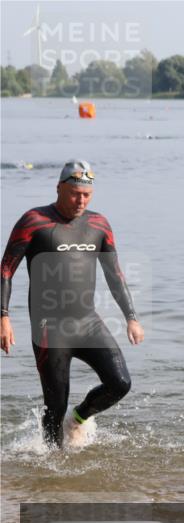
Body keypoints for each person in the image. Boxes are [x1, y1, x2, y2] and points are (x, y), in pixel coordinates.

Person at [0, 160, 144, 448]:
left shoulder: (98, 224)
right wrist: (3, 316)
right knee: (55, 404)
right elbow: (5, 270)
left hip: (87, 322)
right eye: (74, 193)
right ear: (59, 188)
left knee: (120, 383)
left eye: (86, 195)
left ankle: (79, 418)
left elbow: (114, 274)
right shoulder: (34, 221)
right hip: (49, 328)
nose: (80, 200)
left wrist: (131, 316)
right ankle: (53, 468)